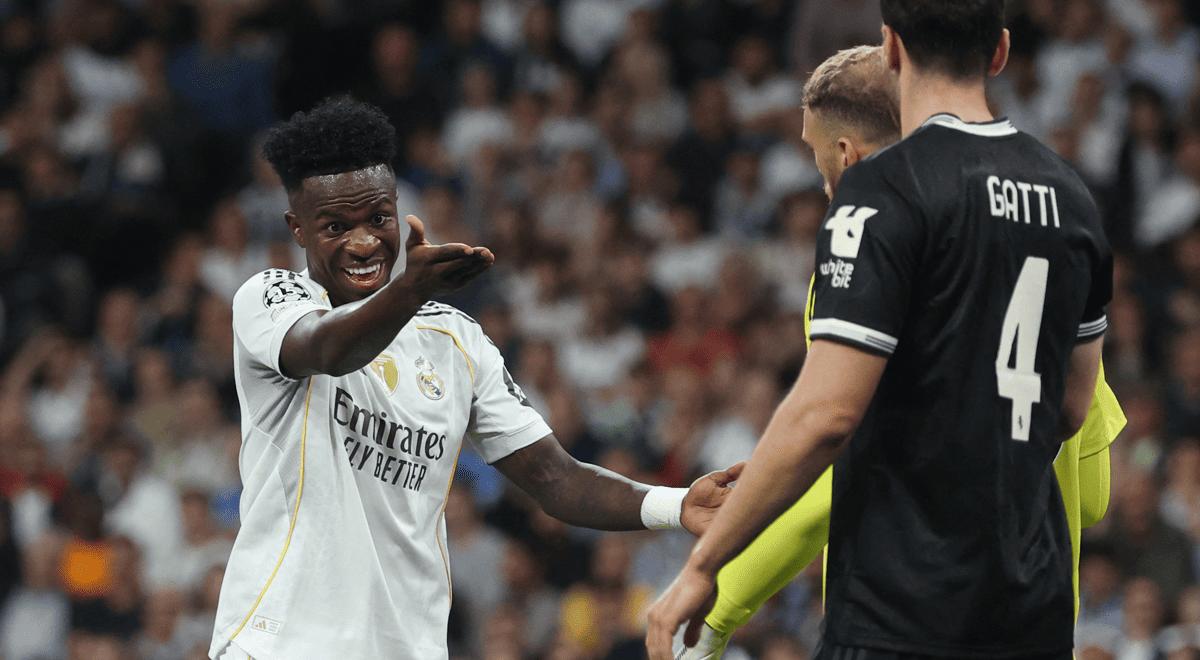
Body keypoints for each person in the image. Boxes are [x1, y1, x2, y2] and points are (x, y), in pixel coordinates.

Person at [646, 0, 1112, 657]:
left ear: (893, 48)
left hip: (905, 607)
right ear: (1001, 52)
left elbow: (826, 419)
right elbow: (1076, 424)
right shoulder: (1071, 198)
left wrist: (708, 572)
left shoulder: (879, 198)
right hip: (1035, 613)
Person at [207, 96, 743, 660]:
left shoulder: (455, 340)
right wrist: (409, 290)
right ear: (297, 228)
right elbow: (327, 349)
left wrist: (674, 505)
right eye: (336, 226)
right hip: (279, 641)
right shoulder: (272, 299)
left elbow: (554, 477)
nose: (363, 242)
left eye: (378, 219)